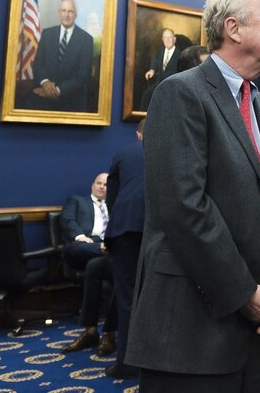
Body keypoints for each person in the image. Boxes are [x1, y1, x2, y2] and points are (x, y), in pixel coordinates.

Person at [127, 0, 260, 392]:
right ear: (234, 28)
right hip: (193, 331)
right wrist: (244, 294)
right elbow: (184, 207)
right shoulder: (179, 93)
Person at [103, 119, 146, 379]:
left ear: (138, 134)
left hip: (125, 230)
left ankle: (127, 363)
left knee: (127, 297)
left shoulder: (124, 153)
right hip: (162, 232)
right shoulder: (174, 148)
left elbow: (112, 199)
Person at [60, 172, 118, 357]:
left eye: (106, 185)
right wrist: (82, 238)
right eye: (99, 183)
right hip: (85, 244)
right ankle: (106, 249)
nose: (102, 187)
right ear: (92, 186)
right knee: (73, 249)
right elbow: (68, 222)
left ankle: (93, 331)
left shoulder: (116, 206)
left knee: (96, 266)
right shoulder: (77, 201)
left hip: (108, 251)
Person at [26, 0, 93, 111]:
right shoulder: (47, 34)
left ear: (75, 15)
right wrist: (45, 82)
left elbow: (82, 76)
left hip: (72, 99)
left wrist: (56, 90)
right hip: (44, 96)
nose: (66, 15)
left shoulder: (86, 39)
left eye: (70, 11)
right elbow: (38, 64)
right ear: (59, 13)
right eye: (63, 10)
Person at [140, 28, 183, 111]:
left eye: (169, 37)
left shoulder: (180, 55)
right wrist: (152, 70)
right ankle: (143, 118)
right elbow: (155, 62)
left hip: (172, 86)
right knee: (146, 95)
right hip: (159, 84)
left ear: (174, 39)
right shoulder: (160, 52)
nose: (167, 40)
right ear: (162, 40)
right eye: (165, 38)